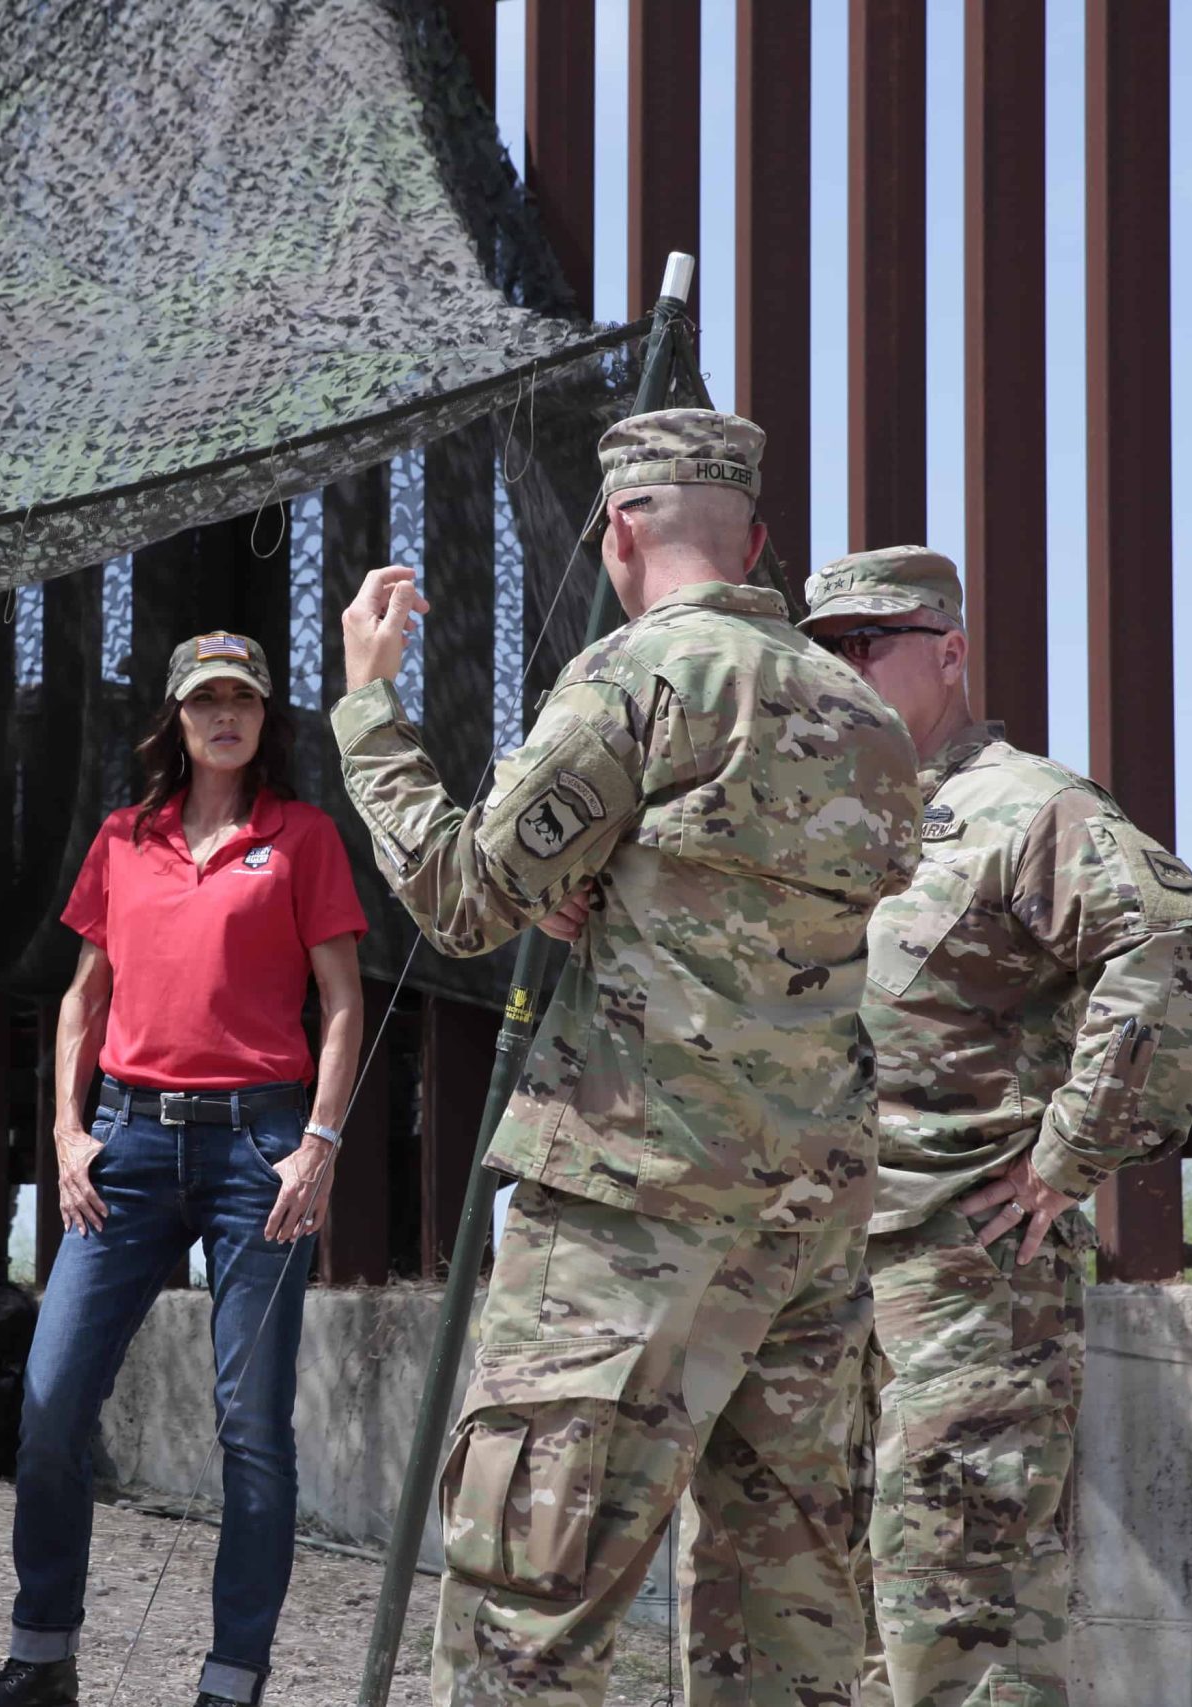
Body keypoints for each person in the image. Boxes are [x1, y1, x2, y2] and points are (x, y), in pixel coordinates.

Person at [330, 411, 923, 1706]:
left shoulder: (637, 679)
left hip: (627, 1198)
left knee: (531, 1601)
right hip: (808, 1217)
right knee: (790, 1613)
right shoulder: (867, 714)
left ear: (622, 528)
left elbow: (467, 897)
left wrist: (370, 705)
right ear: (757, 539)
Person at [779, 546, 1192, 1707]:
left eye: (869, 644)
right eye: (824, 651)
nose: (845, 668)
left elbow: (1169, 942)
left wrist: (1073, 1154)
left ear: (949, 651)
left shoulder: (1023, 804)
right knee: (823, 1598)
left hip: (967, 1268)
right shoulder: (813, 818)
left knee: (958, 1601)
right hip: (816, 1270)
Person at [0, 631, 368, 1707]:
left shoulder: (304, 836)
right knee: (48, 1404)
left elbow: (342, 1005)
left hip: (260, 1150)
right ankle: (40, 1658)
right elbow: (81, 1001)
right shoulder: (121, 839)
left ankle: (232, 1683)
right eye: (203, 701)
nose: (222, 716)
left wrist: (317, 1144)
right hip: (125, 1147)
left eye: (241, 699)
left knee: (251, 1426)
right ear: (176, 721)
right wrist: (67, 1133)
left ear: (265, 718)